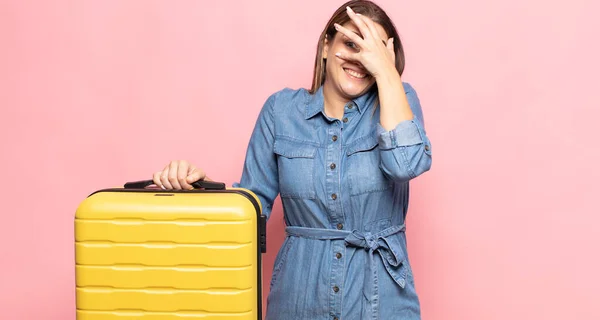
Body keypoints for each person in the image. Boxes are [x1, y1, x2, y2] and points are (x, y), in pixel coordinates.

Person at [152, 0, 432, 318]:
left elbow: (406, 164)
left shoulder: (399, 100)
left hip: (383, 302)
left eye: (373, 51)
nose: (361, 59)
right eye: (351, 44)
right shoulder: (280, 111)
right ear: (326, 46)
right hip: (300, 299)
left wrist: (386, 72)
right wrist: (196, 191)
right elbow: (250, 209)